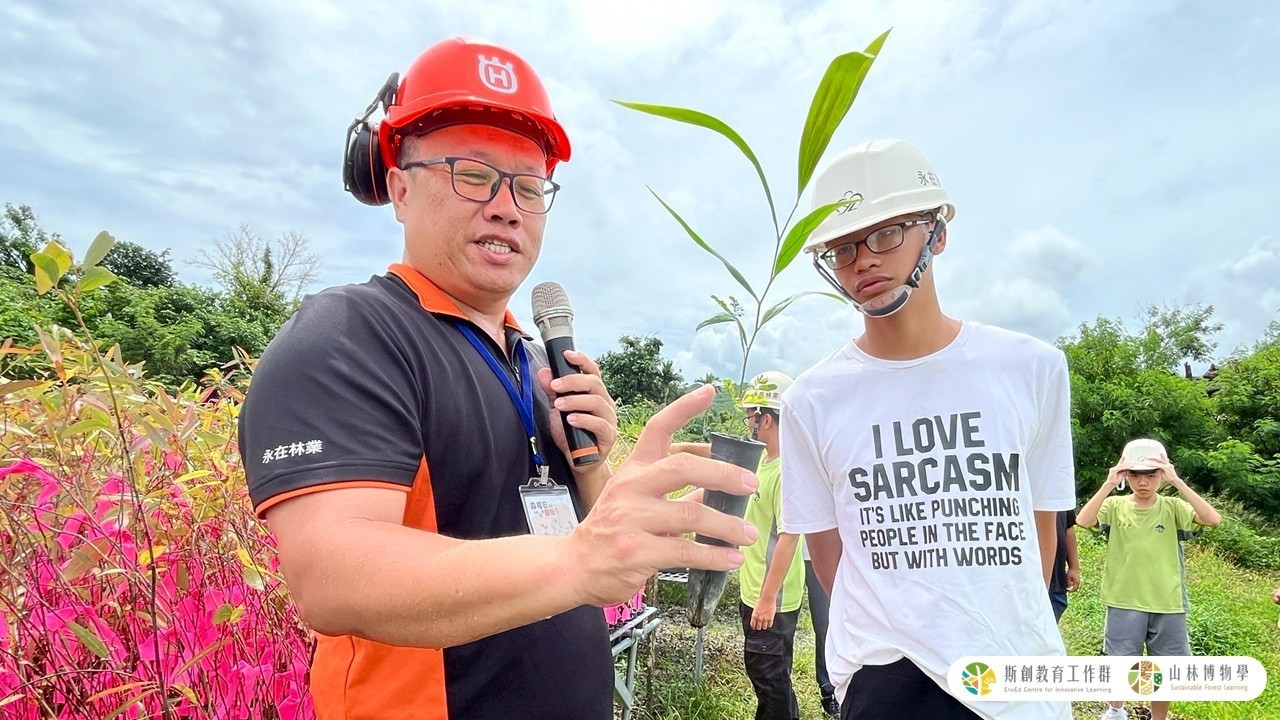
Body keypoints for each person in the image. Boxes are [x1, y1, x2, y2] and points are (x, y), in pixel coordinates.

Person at [238, 37, 759, 720]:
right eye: (473, 174)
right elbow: (330, 577)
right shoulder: (349, 335)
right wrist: (577, 559)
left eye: (528, 185)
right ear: (398, 186)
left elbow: (587, 559)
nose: (507, 207)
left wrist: (605, 472)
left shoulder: (539, 360)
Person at [778, 139, 1076, 720]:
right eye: (841, 248)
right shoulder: (810, 400)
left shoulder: (1031, 368)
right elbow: (828, 557)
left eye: (886, 233)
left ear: (936, 233)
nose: (862, 259)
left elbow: (1041, 534)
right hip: (886, 680)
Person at [1076, 438, 1222, 720]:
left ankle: (1159, 717)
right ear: (1126, 476)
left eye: (1151, 475)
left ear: (1161, 476)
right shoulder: (1115, 506)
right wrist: (1108, 483)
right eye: (1135, 475)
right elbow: (1083, 520)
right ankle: (1115, 710)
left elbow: (1212, 519)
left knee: (1164, 669)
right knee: (1120, 664)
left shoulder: (1173, 507)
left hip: (1167, 601)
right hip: (1123, 599)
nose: (1143, 482)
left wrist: (1177, 481)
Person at [738, 371, 806, 720]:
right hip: (755, 589)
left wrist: (767, 599)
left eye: (751, 415)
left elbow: (790, 536)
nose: (748, 421)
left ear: (766, 418)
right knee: (769, 672)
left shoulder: (787, 471)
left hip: (771, 598)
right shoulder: (763, 460)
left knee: (769, 679)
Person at [803, 542, 840, 717]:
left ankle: (828, 690)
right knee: (778, 626)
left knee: (825, 625)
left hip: (819, 552)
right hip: (782, 551)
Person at [1049, 509, 1081, 622]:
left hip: (1055, 579)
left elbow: (1069, 526)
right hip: (1024, 581)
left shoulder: (1059, 492)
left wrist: (1074, 567)